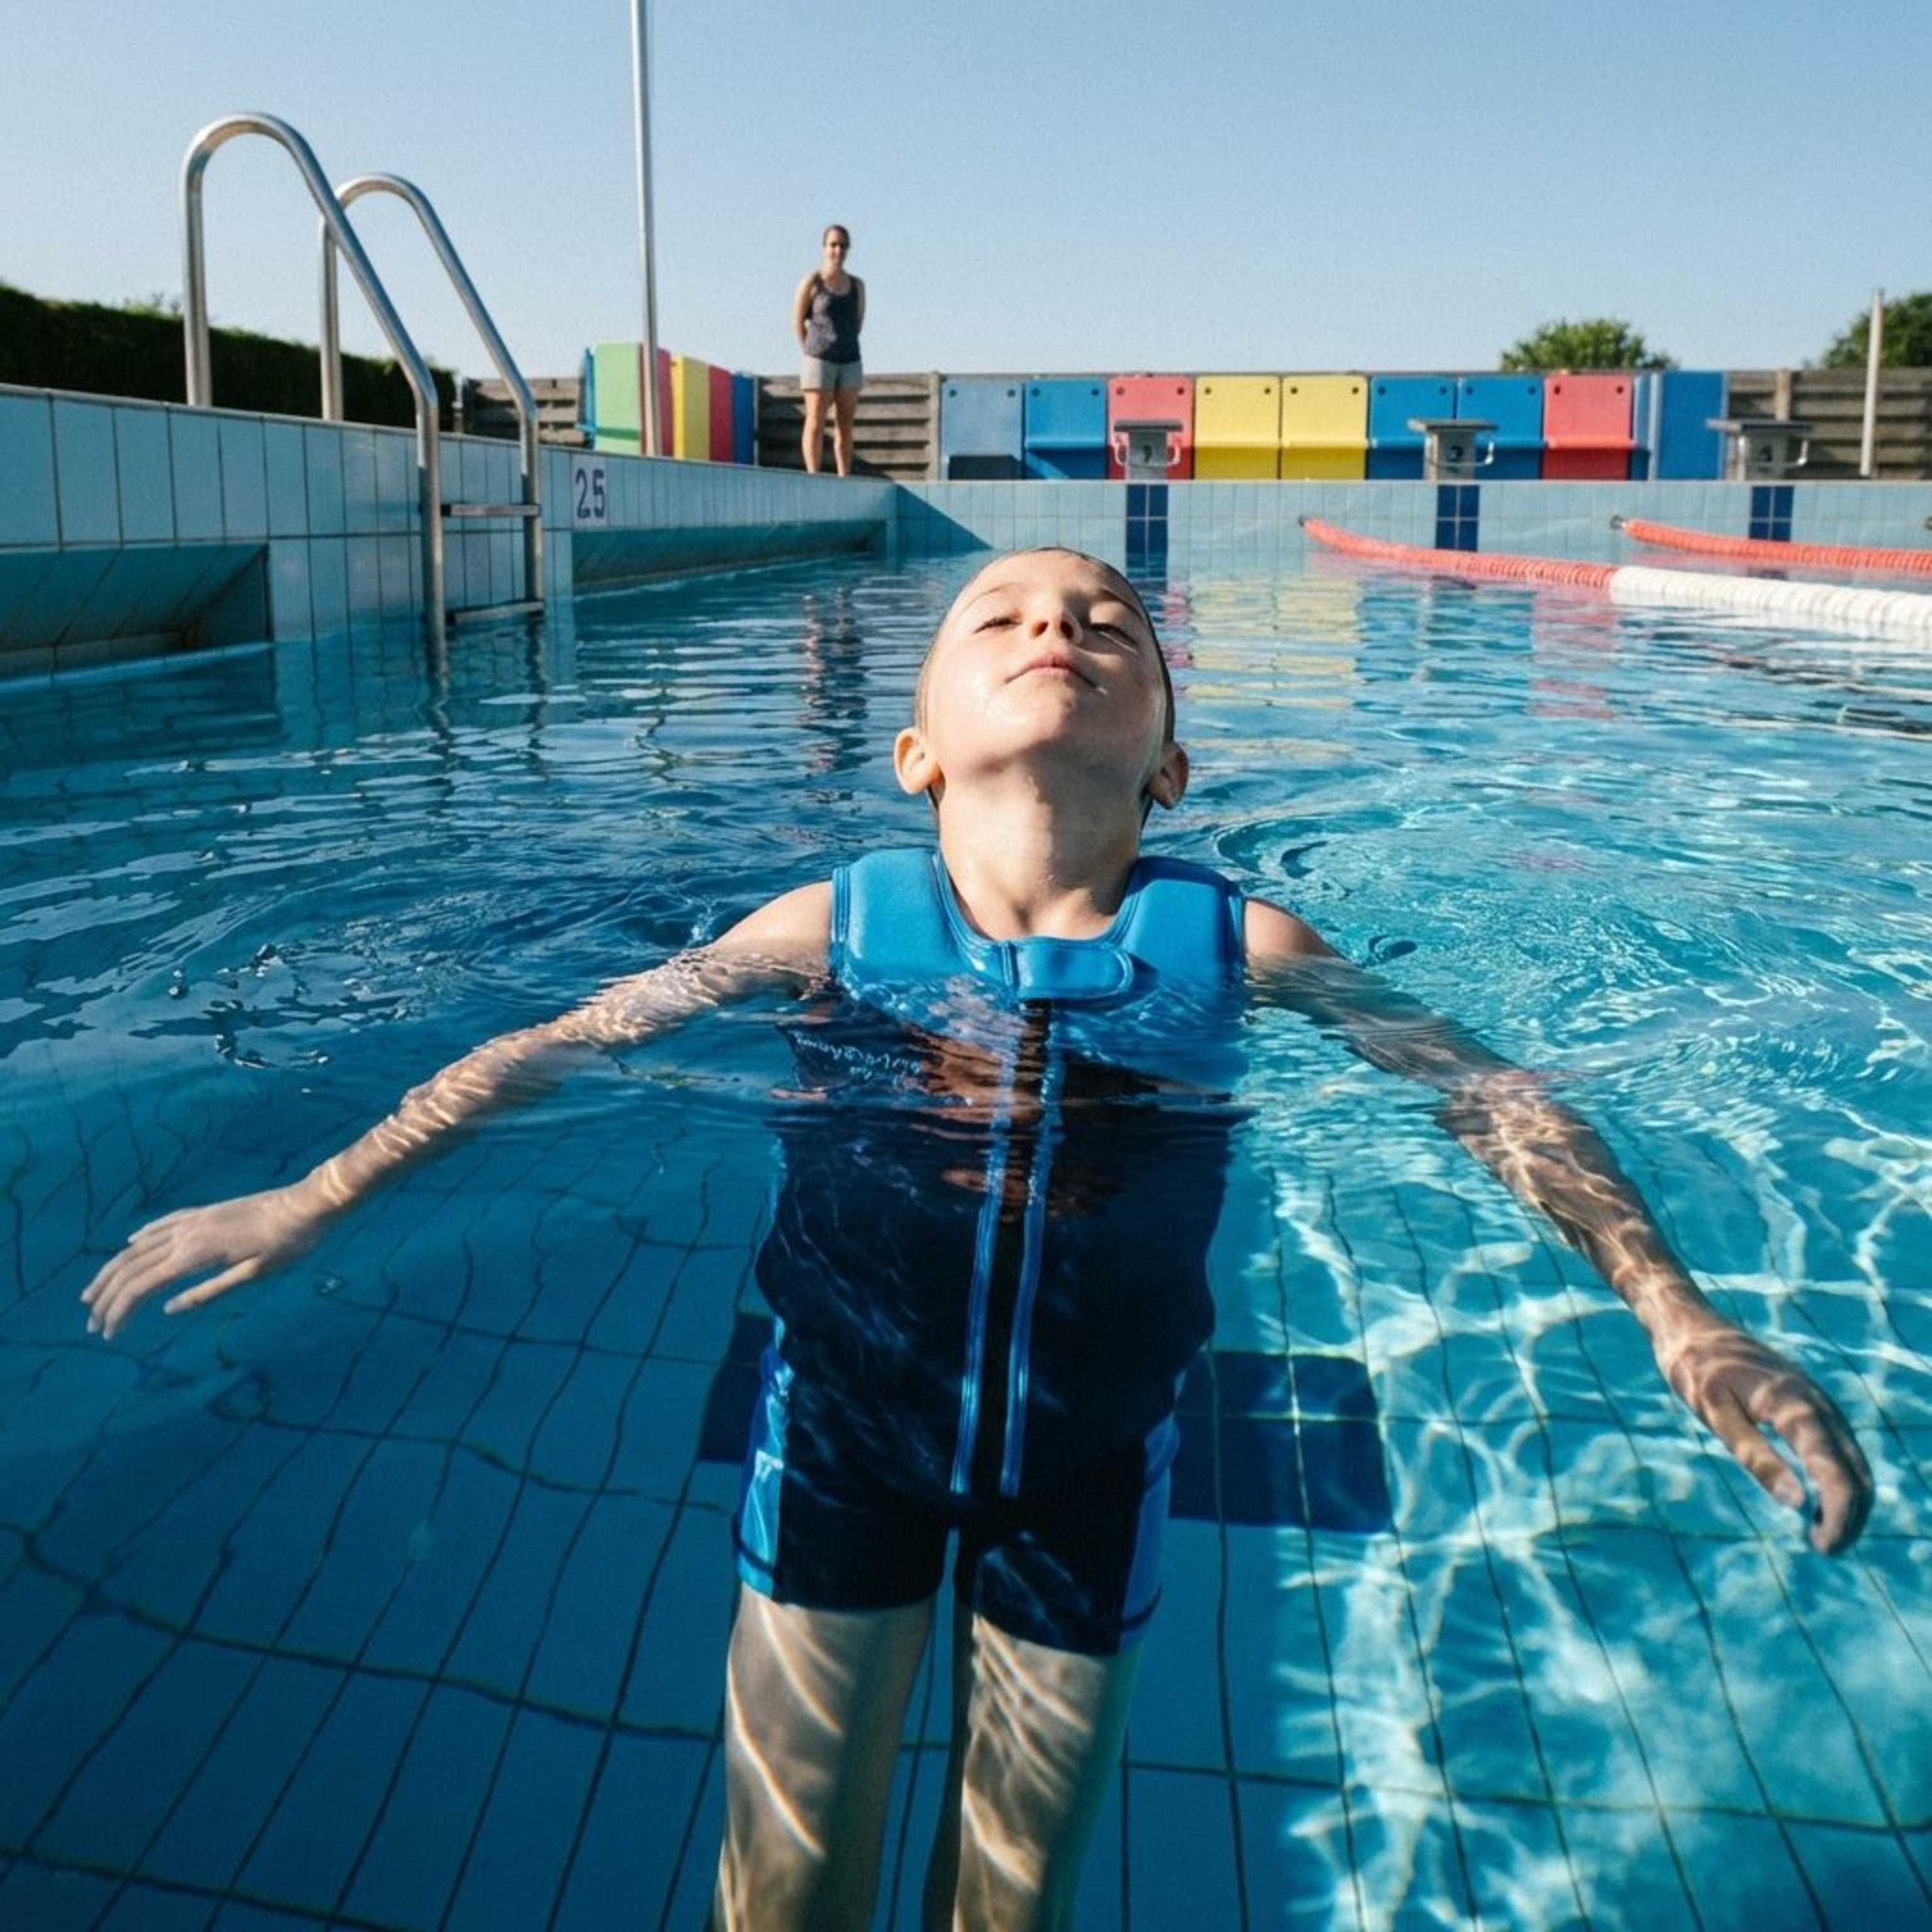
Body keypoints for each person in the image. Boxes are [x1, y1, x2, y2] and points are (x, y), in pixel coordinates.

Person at [82, 548, 1873, 1931]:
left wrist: (1676, 1312)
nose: (1057, 627)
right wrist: (316, 1191)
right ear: (915, 750)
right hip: (838, 1445)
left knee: (1013, 1903)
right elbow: (546, 1048)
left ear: (1167, 762)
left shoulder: (1243, 946)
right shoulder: (824, 926)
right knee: (787, 1885)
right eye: (1001, 613)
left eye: (1106, 620)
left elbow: (1489, 1096)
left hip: (1088, 1473)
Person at [793, 224, 865, 476]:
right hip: (819, 358)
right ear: (825, 248)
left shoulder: (857, 285)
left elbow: (857, 323)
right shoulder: (812, 282)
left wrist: (843, 344)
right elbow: (797, 321)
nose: (838, 250)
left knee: (845, 423)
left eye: (843, 246)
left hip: (850, 359)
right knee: (815, 419)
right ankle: (813, 474)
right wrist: (810, 351)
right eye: (833, 245)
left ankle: (844, 476)